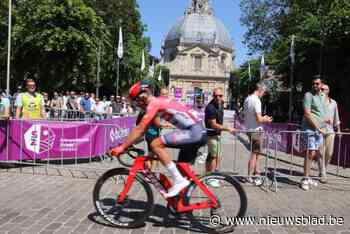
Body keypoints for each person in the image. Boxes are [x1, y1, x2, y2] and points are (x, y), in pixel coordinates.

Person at [111, 80, 207, 198]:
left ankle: (179, 181)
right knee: (181, 169)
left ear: (144, 95)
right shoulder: (158, 102)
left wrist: (122, 147)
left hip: (194, 132)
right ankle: (181, 202)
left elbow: (140, 129)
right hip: (197, 131)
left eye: (137, 101)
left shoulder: (154, 104)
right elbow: (142, 130)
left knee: (155, 144)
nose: (137, 104)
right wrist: (127, 144)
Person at [204, 88, 236, 188]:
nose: (218, 97)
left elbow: (219, 122)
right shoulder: (210, 107)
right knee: (214, 156)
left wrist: (224, 128)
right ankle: (211, 178)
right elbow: (213, 124)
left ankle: (208, 175)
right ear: (213, 96)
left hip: (217, 134)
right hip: (212, 134)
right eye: (215, 96)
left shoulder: (220, 104)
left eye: (220, 95)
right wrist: (227, 128)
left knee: (212, 155)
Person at [300, 76, 328, 190]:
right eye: (313, 83)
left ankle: (308, 176)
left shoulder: (322, 96)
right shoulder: (308, 95)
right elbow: (307, 114)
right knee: (310, 153)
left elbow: (320, 113)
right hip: (310, 129)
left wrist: (324, 126)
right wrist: (317, 128)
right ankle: (305, 179)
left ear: (321, 85)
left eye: (317, 83)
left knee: (314, 154)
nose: (315, 85)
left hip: (320, 130)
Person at [243, 82, 272, 186]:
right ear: (260, 90)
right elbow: (259, 118)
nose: (263, 94)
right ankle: (250, 176)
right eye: (263, 92)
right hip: (256, 130)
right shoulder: (256, 100)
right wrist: (266, 119)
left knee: (256, 153)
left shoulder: (247, 99)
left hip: (249, 128)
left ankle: (256, 173)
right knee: (254, 154)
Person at [319, 84, 341, 183]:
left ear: (328, 91)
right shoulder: (317, 102)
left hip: (330, 131)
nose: (322, 90)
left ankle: (324, 169)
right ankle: (323, 173)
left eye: (324, 89)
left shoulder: (334, 103)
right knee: (321, 153)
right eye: (321, 89)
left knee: (329, 153)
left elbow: (336, 118)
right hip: (319, 131)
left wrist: (339, 130)